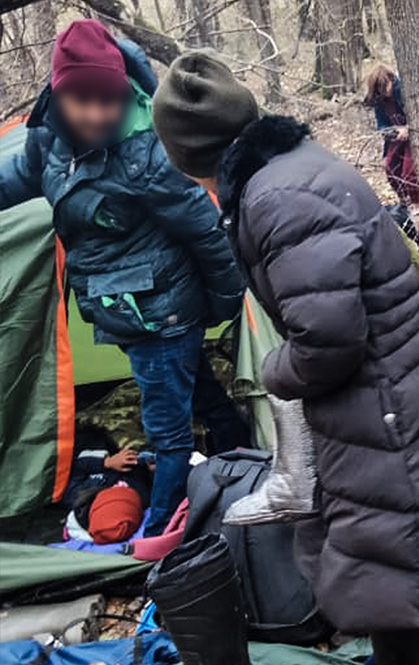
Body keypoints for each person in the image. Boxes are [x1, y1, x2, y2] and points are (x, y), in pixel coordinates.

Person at [151, 52, 419, 665]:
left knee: (398, 578)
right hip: (391, 398)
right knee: (398, 574)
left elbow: (329, 339)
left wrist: (274, 372)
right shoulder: (291, 169)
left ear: (194, 158)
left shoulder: (277, 198)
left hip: (385, 410)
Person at [0, 20, 245, 537]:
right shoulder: (50, 139)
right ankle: (239, 454)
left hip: (162, 313)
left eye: (109, 100)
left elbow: (205, 229)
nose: (97, 114)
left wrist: (224, 303)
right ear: (59, 94)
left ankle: (159, 533)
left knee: (167, 430)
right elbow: (21, 176)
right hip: (126, 308)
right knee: (196, 390)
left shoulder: (146, 152)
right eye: (82, 101)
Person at [364, 64, 419, 205]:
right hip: (397, 138)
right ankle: (405, 201)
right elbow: (382, 125)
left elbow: (418, 115)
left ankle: (417, 203)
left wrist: (408, 128)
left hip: (415, 136)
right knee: (390, 169)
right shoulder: (380, 101)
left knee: (409, 173)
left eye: (385, 86)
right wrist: (394, 131)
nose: (384, 91)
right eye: (380, 88)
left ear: (391, 80)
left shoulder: (403, 91)